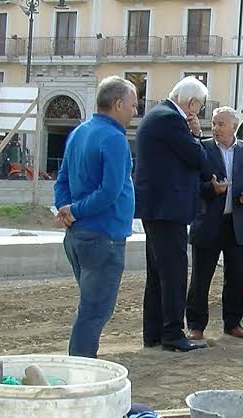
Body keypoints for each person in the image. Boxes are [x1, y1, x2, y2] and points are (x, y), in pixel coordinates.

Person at [53, 76, 137, 358]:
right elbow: (110, 191)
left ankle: (81, 363)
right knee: (95, 310)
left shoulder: (79, 132)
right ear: (118, 104)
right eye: (133, 105)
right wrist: (73, 211)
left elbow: (62, 178)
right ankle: (83, 369)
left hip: (78, 236)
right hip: (104, 238)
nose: (134, 111)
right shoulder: (114, 138)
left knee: (89, 306)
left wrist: (65, 208)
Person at [134, 76, 209, 352]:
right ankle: (173, 334)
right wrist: (198, 134)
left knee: (158, 273)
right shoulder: (171, 120)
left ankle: (153, 332)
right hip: (168, 209)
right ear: (190, 104)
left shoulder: (157, 116)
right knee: (174, 273)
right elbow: (198, 158)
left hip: (157, 207)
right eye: (198, 108)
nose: (198, 113)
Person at [184, 106, 243, 341]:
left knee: (235, 277)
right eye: (214, 124)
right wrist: (211, 189)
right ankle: (196, 325)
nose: (215, 128)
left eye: (220, 124)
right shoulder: (203, 149)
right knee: (201, 277)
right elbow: (194, 184)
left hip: (236, 223)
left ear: (233, 126)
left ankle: (233, 323)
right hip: (208, 222)